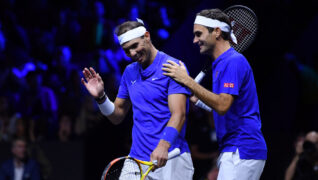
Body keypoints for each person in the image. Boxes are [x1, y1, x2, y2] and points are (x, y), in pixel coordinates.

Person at [162, 9, 267, 180]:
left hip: (242, 148)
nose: (195, 40)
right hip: (234, 148)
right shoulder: (221, 64)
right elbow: (231, 109)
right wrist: (199, 100)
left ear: (217, 32)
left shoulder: (233, 61)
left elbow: (222, 105)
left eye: (199, 34)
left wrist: (188, 81)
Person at [81, 20, 194, 179]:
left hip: (170, 157)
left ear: (147, 36)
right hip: (136, 159)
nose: (132, 53)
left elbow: (179, 114)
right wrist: (101, 97)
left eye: (135, 46)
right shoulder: (129, 72)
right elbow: (117, 115)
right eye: (127, 51)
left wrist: (163, 146)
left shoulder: (173, 67)